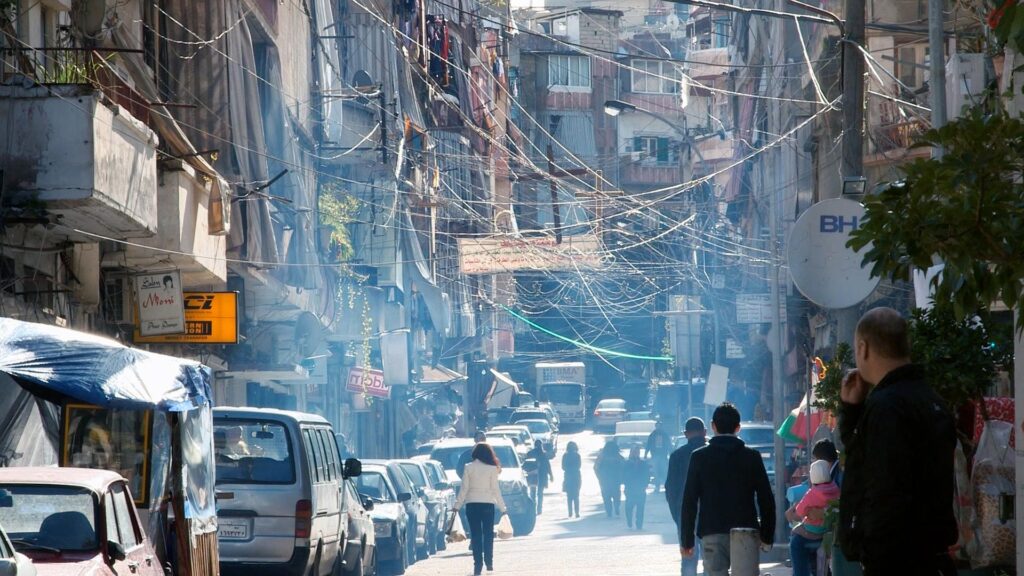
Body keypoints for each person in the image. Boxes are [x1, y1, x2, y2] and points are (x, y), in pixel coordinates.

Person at [837, 307, 957, 576]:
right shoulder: (931, 400)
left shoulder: (887, 407)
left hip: (897, 562)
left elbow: (885, 489)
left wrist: (874, 556)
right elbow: (866, 458)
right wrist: (853, 411)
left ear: (863, 347)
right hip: (931, 558)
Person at [681, 402, 775, 576]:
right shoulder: (752, 457)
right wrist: (767, 535)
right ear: (738, 428)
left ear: (712, 426)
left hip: (711, 531)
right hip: (746, 531)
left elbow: (689, 501)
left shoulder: (699, 457)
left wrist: (687, 541)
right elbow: (766, 499)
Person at [454, 443, 508, 575]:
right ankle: (489, 563)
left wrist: (457, 506)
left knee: (476, 535)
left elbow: (464, 489)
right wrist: (503, 508)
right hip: (488, 505)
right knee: (488, 534)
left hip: (472, 505)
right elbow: (496, 490)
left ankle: (477, 565)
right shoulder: (492, 469)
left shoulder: (468, 467)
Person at [666, 417, 707, 576]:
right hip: (711, 516)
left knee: (688, 560)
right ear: (704, 432)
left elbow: (671, 490)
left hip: (685, 514)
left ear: (685, 434)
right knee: (711, 560)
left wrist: (677, 516)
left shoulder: (677, 456)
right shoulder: (713, 453)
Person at [787, 460, 841, 576]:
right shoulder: (836, 489)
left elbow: (799, 513)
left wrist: (792, 511)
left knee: (795, 542)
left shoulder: (813, 493)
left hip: (811, 534)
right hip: (827, 534)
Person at [594, 438, 625, 518]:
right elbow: (624, 466)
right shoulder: (618, 457)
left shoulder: (602, 456)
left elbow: (596, 467)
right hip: (616, 479)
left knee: (606, 496)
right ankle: (616, 507)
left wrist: (599, 477)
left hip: (604, 480)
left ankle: (609, 511)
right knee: (616, 495)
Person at [623, 446, 650, 530]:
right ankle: (629, 521)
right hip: (630, 488)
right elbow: (622, 475)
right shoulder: (626, 463)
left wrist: (645, 484)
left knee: (640, 507)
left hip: (640, 488)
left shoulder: (643, 463)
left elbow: (647, 475)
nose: (635, 453)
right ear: (630, 453)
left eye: (637, 452)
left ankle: (639, 524)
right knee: (629, 507)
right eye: (634, 452)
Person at [526, 440, 553, 515]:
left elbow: (526, 465)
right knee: (540, 493)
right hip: (542, 475)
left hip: (533, 475)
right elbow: (548, 466)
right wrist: (551, 475)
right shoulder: (544, 454)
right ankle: (539, 509)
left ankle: (533, 509)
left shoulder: (530, 453)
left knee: (533, 493)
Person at [644, 420, 672, 491]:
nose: (658, 427)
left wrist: (671, 453)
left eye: (660, 425)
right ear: (656, 426)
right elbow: (648, 445)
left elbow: (669, 445)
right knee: (655, 471)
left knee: (664, 471)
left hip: (663, 456)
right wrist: (645, 454)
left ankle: (667, 485)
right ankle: (657, 486)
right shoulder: (652, 434)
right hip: (655, 456)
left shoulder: (665, 435)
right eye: (657, 425)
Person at [561, 441, 582, 518]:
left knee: (569, 496)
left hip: (568, 476)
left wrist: (568, 469)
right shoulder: (577, 455)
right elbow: (579, 466)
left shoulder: (565, 456)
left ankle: (570, 512)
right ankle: (577, 512)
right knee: (576, 495)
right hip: (576, 476)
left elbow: (563, 467)